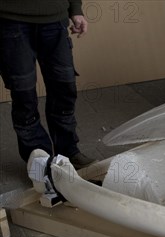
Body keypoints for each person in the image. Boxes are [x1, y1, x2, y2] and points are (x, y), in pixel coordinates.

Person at [0, 0, 96, 169]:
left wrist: (76, 10)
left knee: (64, 90)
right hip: (10, 20)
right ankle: (39, 160)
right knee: (24, 97)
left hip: (54, 20)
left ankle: (67, 152)